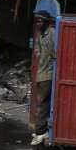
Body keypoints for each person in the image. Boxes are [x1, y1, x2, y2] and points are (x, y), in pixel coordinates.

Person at [28, 11, 56, 143]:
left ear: (47, 22)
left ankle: (41, 132)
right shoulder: (40, 35)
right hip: (42, 73)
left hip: (48, 74)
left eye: (41, 21)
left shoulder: (52, 33)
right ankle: (41, 130)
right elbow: (37, 49)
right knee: (41, 103)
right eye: (37, 22)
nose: (38, 24)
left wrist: (51, 56)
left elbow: (58, 51)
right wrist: (42, 56)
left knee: (42, 104)